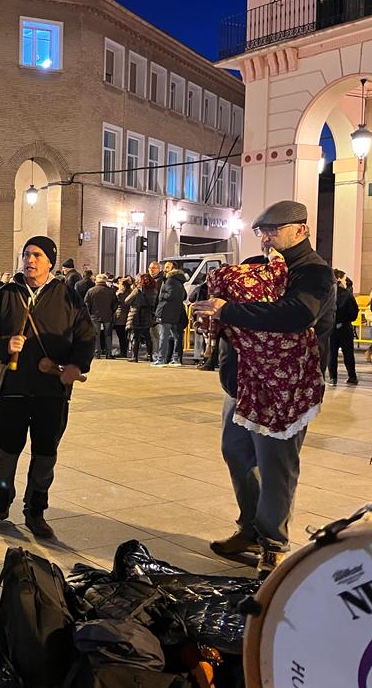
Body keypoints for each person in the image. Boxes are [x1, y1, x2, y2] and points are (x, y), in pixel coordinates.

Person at [195, 200, 336, 574]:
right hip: (240, 385)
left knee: (276, 466)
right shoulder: (260, 269)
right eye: (262, 232)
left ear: (300, 230)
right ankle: (252, 528)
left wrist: (228, 311)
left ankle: (273, 541)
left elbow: (297, 315)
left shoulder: (313, 273)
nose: (266, 238)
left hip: (283, 391)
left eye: (274, 230)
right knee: (236, 453)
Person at [0, 236, 95, 537]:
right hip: (13, 389)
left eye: (37, 255)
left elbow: (86, 336)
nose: (30, 260)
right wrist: (4, 345)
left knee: (45, 454)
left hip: (51, 393)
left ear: (50, 261)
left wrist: (76, 366)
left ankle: (36, 511)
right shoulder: (6, 294)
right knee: (5, 453)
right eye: (26, 254)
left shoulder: (67, 296)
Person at [329, 268, 359, 386]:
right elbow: (354, 311)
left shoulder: (327, 293)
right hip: (345, 328)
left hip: (331, 328)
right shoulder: (346, 294)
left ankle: (333, 378)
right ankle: (352, 377)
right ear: (339, 279)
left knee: (332, 354)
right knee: (348, 354)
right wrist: (347, 320)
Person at [154, 267, 188, 366]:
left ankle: (161, 359)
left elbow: (170, 295)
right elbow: (184, 296)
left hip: (166, 312)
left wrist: (162, 295)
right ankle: (176, 359)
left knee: (163, 336)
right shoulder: (181, 284)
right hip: (177, 313)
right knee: (176, 336)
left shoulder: (169, 281)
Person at [84, 274, 118, 358]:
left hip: (94, 316)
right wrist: (111, 311)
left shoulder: (91, 291)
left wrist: (90, 313)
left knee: (96, 335)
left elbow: (86, 304)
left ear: (96, 281)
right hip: (107, 315)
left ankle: (97, 353)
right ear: (105, 281)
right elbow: (115, 304)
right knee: (108, 335)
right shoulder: (111, 291)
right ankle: (109, 353)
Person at [126, 274, 158, 362]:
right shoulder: (154, 291)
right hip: (147, 314)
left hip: (136, 314)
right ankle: (150, 355)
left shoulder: (137, 290)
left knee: (136, 336)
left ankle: (135, 357)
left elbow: (127, 300)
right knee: (147, 336)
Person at [113, 276, 132, 359]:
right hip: (128, 315)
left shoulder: (120, 294)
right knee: (125, 335)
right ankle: (124, 351)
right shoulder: (130, 293)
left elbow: (116, 303)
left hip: (120, 316)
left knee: (121, 335)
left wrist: (117, 293)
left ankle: (123, 352)